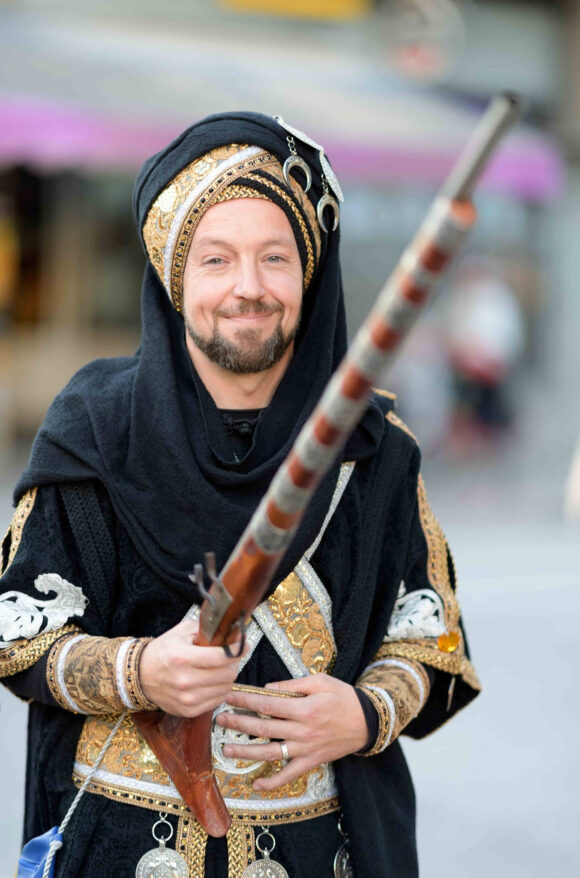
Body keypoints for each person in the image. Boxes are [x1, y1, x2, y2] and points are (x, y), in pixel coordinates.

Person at [0, 112, 480, 878]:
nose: (248, 288)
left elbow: (430, 638)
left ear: (308, 274)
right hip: (116, 850)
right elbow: (16, 633)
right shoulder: (92, 431)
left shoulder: (376, 450)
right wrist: (139, 671)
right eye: (216, 259)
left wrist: (364, 715)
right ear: (174, 275)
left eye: (274, 258)